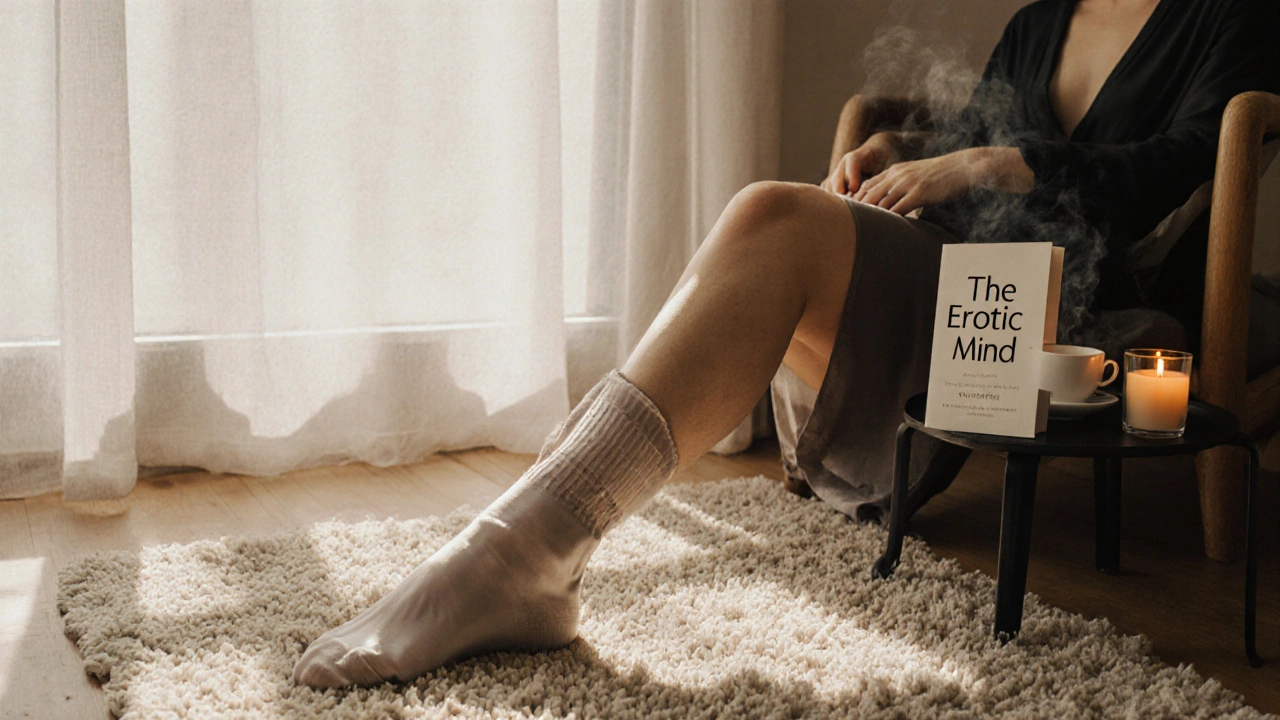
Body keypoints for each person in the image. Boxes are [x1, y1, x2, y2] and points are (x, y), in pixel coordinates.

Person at [293, 0, 1279, 688]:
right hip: (962, 270)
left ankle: (520, 553)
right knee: (769, 214)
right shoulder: (1038, 21)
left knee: (773, 215)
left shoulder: (1231, 16)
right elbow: (976, 142)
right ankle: (521, 546)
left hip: (1075, 307)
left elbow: (1179, 164)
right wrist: (908, 153)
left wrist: (991, 162)